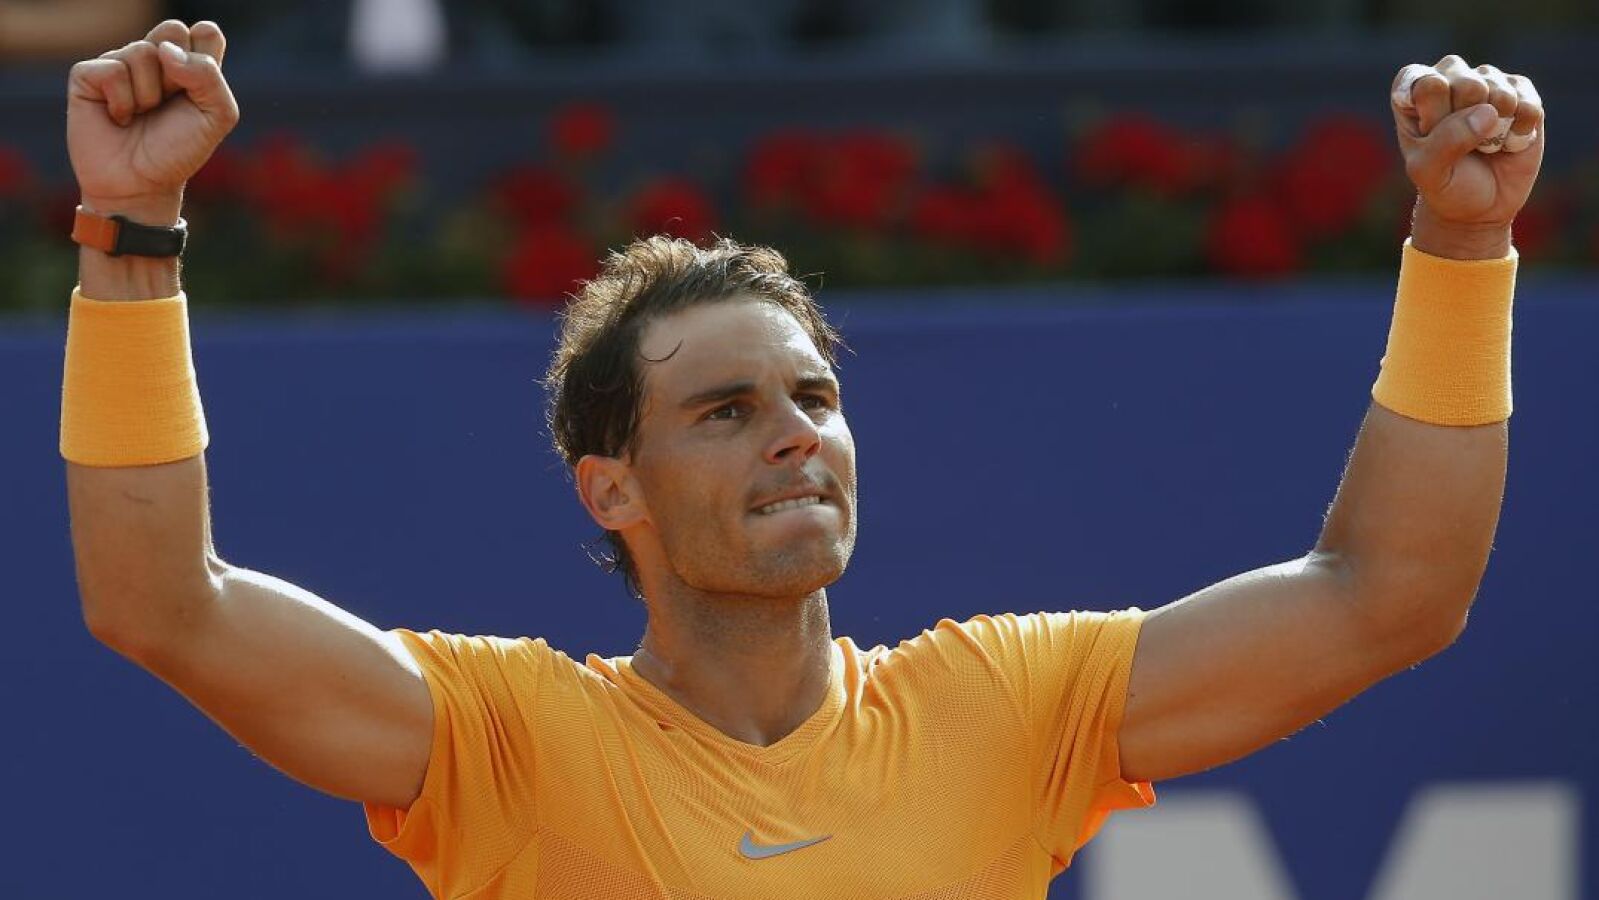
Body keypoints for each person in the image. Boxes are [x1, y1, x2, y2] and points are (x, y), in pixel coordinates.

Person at [60, 18, 1542, 900]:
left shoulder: (1005, 710)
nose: (795, 433)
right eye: (723, 411)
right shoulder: (505, 741)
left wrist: (1464, 247)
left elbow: (1389, 595)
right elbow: (160, 602)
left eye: (815, 397)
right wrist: (131, 234)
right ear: (612, 489)